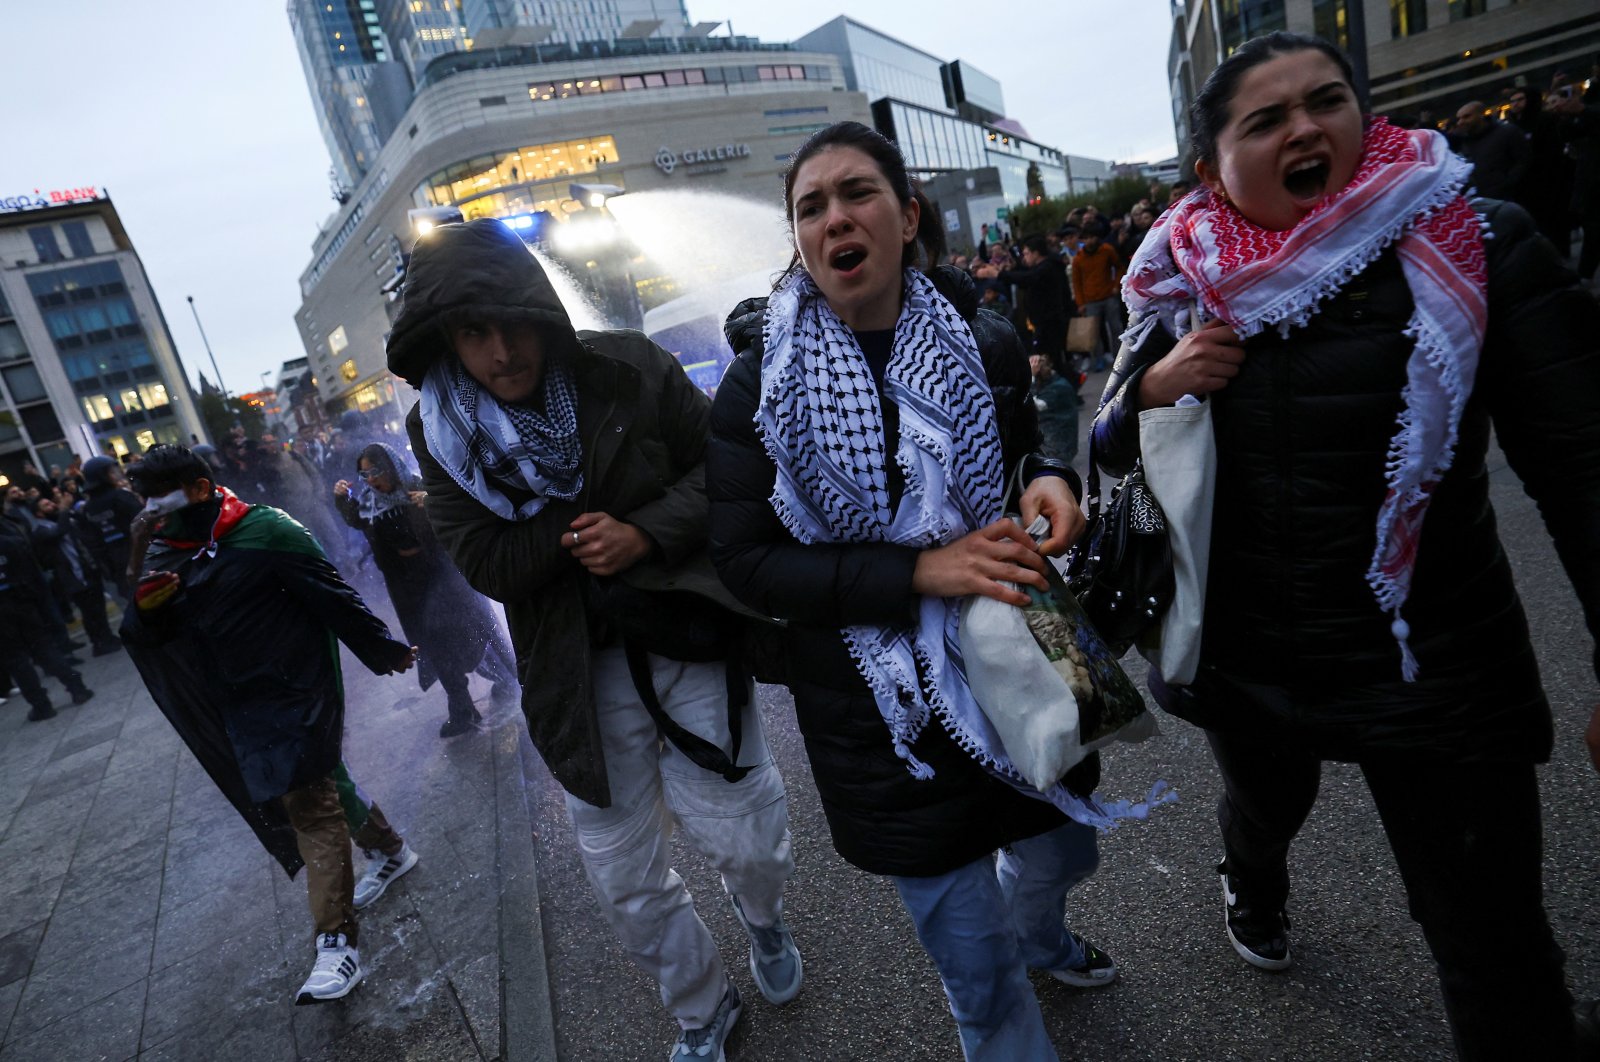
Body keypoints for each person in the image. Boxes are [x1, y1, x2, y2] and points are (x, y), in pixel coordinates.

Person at [1095, 32, 1600, 1060]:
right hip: (1249, 661)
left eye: (1326, 102)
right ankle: (1251, 877)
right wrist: (1145, 393)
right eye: (1265, 120)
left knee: (1492, 950)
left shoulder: (1476, 240)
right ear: (1210, 170)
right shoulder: (1177, 284)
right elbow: (1104, 448)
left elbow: (1584, 466)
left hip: (1435, 670)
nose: (1304, 129)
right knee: (1263, 808)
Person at [708, 121, 1132, 1062]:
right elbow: (747, 564)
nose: (833, 219)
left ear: (904, 217)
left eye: (856, 193)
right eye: (809, 208)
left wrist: (1048, 476)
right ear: (799, 240)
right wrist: (916, 572)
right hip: (880, 711)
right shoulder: (756, 393)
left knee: (1065, 850)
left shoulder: (976, 337)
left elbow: (1025, 444)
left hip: (1017, 650)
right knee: (977, 973)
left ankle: (1044, 934)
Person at [387, 217, 801, 1062]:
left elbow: (727, 470)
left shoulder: (629, 366)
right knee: (623, 874)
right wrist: (580, 536)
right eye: (473, 333)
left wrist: (644, 534)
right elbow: (486, 559)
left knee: (746, 833)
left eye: (510, 323)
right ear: (445, 341)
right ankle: (701, 1008)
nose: (500, 352)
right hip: (571, 672)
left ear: (540, 310)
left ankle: (763, 919)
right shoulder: (438, 430)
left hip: (685, 631)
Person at [120, 444, 419, 1006]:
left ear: (201, 489)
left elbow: (333, 594)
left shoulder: (265, 530)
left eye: (156, 497)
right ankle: (392, 850)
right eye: (142, 501)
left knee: (311, 804)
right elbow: (145, 637)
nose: (148, 511)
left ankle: (337, 944)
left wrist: (385, 650)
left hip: (297, 686)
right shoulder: (163, 550)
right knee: (320, 782)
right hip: (234, 701)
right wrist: (144, 599)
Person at [333, 442, 519, 737]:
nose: (371, 480)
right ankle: (462, 708)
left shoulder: (419, 488)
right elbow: (355, 519)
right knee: (433, 643)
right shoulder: (369, 503)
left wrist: (431, 502)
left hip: (445, 574)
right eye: (364, 474)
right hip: (408, 587)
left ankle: (512, 679)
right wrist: (343, 499)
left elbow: (460, 507)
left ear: (392, 467)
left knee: (479, 628)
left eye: (376, 471)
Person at [0, 503, 94, 721]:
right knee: (44, 648)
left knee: (17, 661)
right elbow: (33, 576)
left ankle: (41, 705)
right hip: (24, 603)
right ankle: (76, 687)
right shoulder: (11, 544)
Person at [79, 455, 143, 603]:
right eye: (111, 472)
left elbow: (92, 542)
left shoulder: (88, 508)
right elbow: (144, 523)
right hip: (141, 557)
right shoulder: (120, 496)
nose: (115, 475)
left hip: (116, 565)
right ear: (102, 476)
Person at [1449, 99, 1529, 201]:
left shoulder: (1508, 132)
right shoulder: (1465, 142)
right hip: (1485, 200)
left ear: (1481, 114)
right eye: (1459, 119)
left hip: (1511, 197)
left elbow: (1523, 161)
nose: (1460, 122)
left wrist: (1507, 184)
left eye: (1466, 117)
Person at [1070, 220, 1124, 370]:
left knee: (1116, 328)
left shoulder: (1107, 250)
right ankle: (1098, 359)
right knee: (1094, 333)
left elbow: (1120, 267)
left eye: (1091, 237)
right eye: (1085, 238)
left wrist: (1116, 285)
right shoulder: (1078, 259)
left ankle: (1120, 356)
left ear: (1097, 237)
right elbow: (1076, 283)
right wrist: (1080, 304)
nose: (1089, 241)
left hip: (1108, 296)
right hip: (1090, 300)